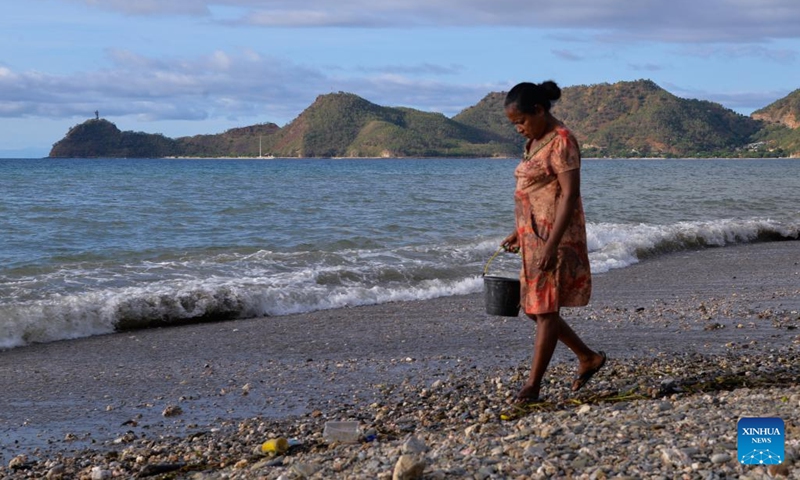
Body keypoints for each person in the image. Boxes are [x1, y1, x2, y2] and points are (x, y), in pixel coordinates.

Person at [501, 80, 606, 403]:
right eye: (514, 124)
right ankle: (588, 357)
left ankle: (532, 386)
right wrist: (519, 231)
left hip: (554, 238)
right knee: (533, 309)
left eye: (521, 121)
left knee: (545, 311)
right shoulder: (536, 140)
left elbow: (569, 194)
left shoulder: (562, 141)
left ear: (540, 110)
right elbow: (538, 192)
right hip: (534, 237)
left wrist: (550, 244)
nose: (518, 128)